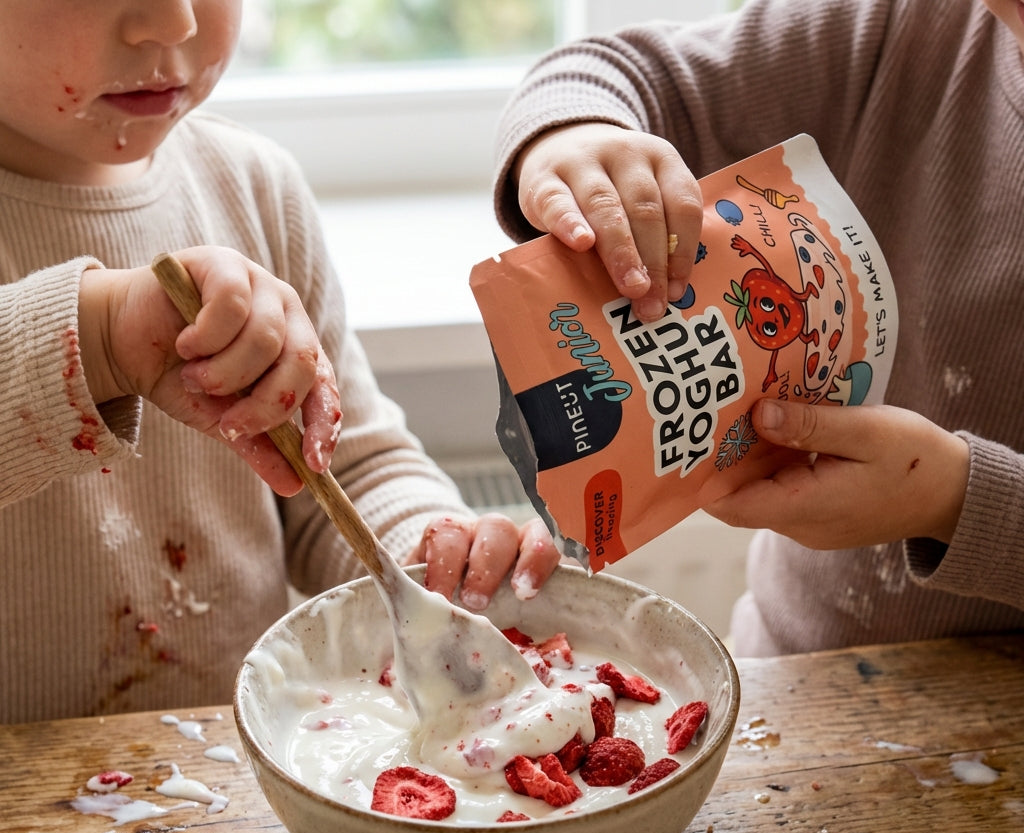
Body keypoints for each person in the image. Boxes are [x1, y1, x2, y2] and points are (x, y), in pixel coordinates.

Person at [0, 0, 559, 724]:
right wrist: (100, 335)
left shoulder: (254, 185)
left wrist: (427, 557)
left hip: (221, 779)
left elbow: (344, 470)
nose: (174, 24)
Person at [494, 0, 1024, 656]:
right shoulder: (905, 24)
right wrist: (574, 138)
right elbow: (610, 70)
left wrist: (956, 500)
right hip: (798, 671)